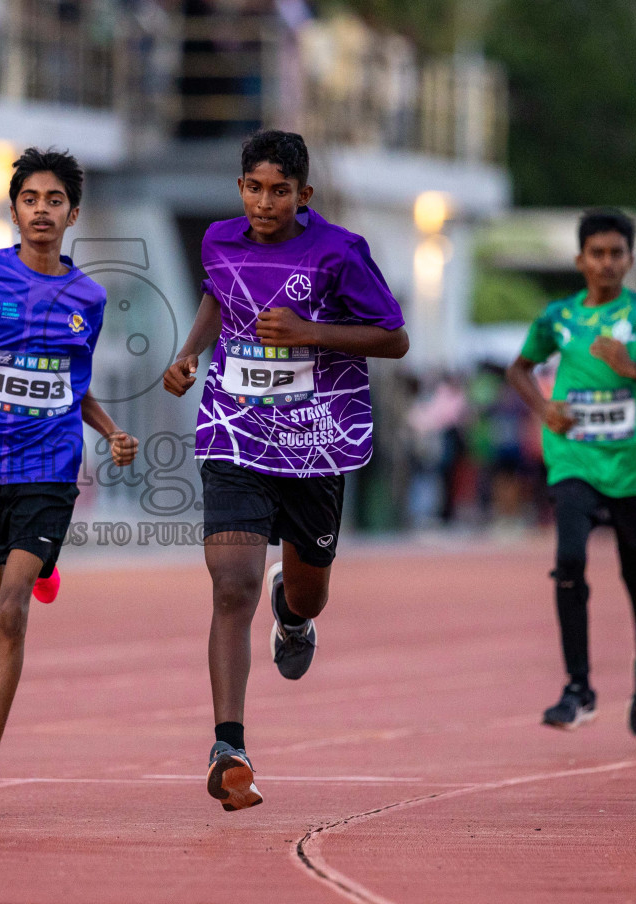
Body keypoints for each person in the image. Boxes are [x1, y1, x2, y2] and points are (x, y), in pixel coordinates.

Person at [162, 130, 408, 810]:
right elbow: (220, 295)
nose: (264, 202)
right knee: (231, 585)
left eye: (279, 191)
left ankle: (293, 619)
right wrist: (189, 354)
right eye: (253, 188)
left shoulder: (339, 252)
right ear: (239, 189)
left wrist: (311, 333)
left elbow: (394, 336)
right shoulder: (219, 240)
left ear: (303, 195)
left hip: (317, 444)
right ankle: (228, 746)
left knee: (307, 592)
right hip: (235, 433)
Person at [0, 148, 138, 816]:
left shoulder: (88, 298)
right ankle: (41, 568)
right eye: (31, 198)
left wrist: (108, 429)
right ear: (14, 210)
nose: (42, 210)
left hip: (49, 468)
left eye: (55, 199)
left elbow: (75, 385)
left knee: (11, 617)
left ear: (73, 213)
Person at [506, 209, 636, 738]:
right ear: (580, 260)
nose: (607, 263)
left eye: (617, 254)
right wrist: (544, 409)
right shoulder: (558, 319)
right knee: (569, 557)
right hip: (574, 459)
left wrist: (635, 369)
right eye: (597, 253)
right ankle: (579, 690)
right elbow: (519, 369)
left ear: (630, 260)